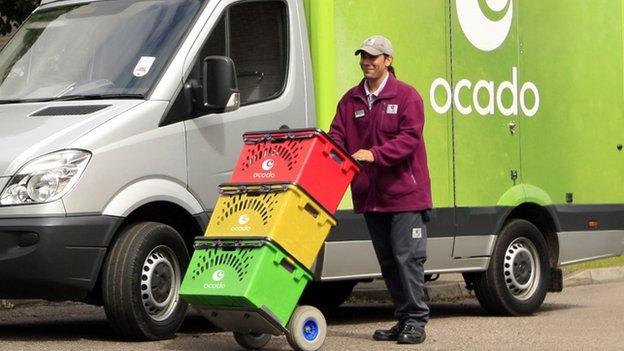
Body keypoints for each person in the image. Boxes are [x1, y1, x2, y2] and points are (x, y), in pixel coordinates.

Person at [328, 35, 432, 345]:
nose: (366, 61)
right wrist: (327, 152)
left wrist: (374, 154)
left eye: (374, 56)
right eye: (363, 56)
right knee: (388, 262)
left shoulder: (407, 96)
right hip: (370, 196)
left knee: (407, 258)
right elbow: (337, 136)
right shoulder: (350, 100)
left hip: (405, 196)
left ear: (388, 60)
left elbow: (409, 139)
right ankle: (403, 319)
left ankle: (417, 320)